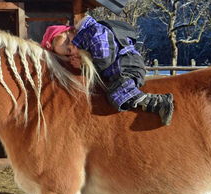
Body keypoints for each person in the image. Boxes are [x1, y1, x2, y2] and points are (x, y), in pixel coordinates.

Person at [41, 16, 174, 125]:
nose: (72, 46)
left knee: (118, 93)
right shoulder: (86, 41)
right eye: (68, 51)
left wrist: (85, 66)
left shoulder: (94, 31)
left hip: (127, 65)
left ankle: (158, 102)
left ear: (71, 31)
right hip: (119, 68)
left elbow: (105, 58)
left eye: (68, 41)